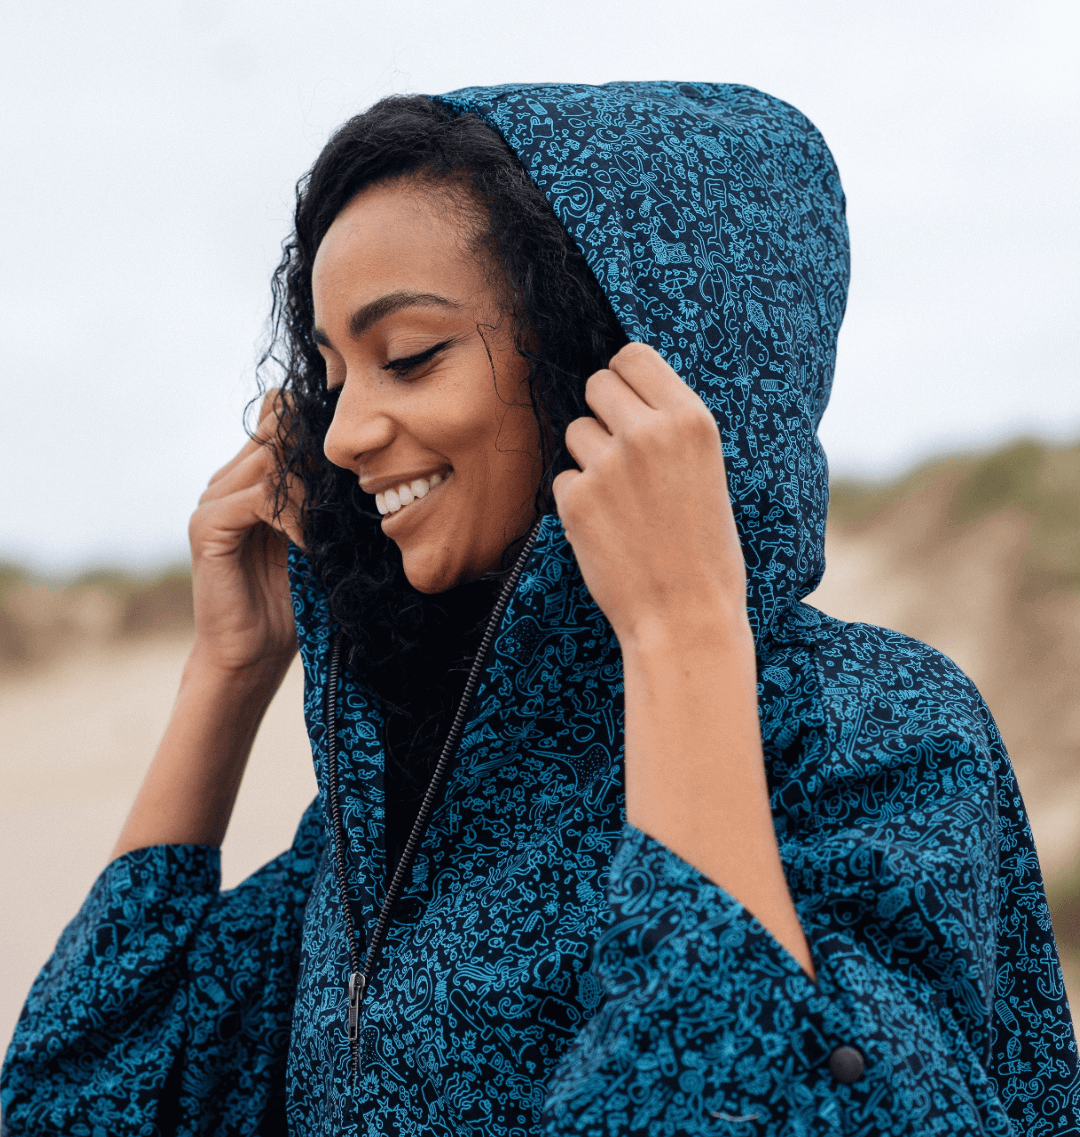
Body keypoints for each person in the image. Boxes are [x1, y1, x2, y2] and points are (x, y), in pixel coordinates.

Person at [2, 81, 1077, 1136]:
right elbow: (73, 1106)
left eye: (409, 357)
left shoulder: (875, 734)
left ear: (607, 360)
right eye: (331, 378)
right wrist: (226, 675)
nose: (340, 435)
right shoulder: (389, 810)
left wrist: (680, 635)